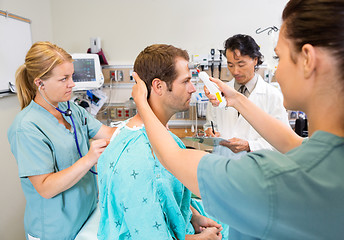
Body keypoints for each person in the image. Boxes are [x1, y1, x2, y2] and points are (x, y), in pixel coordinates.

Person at [131, 0, 344, 239]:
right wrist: (237, 99)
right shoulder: (330, 161)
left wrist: (142, 102)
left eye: (279, 58)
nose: (277, 70)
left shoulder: (274, 179)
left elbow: (173, 158)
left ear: (307, 60)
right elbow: (294, 144)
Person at [97, 44, 228, 240]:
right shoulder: (141, 157)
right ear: (159, 86)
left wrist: (193, 216)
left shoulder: (137, 132)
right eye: (185, 82)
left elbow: (164, 197)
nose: (192, 89)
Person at [7, 41, 115, 240]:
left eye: (72, 76)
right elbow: (46, 188)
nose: (72, 84)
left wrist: (144, 125)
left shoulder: (70, 109)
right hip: (55, 230)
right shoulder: (27, 127)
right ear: (40, 83)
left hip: (85, 216)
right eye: (64, 78)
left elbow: (107, 133)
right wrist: (90, 158)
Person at [204, 34, 290, 158]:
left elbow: (283, 141)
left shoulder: (273, 96)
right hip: (224, 165)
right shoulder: (218, 93)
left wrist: (250, 145)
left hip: (258, 166)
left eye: (241, 64)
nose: (235, 71)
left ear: (255, 60)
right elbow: (210, 125)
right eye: (230, 65)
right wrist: (210, 132)